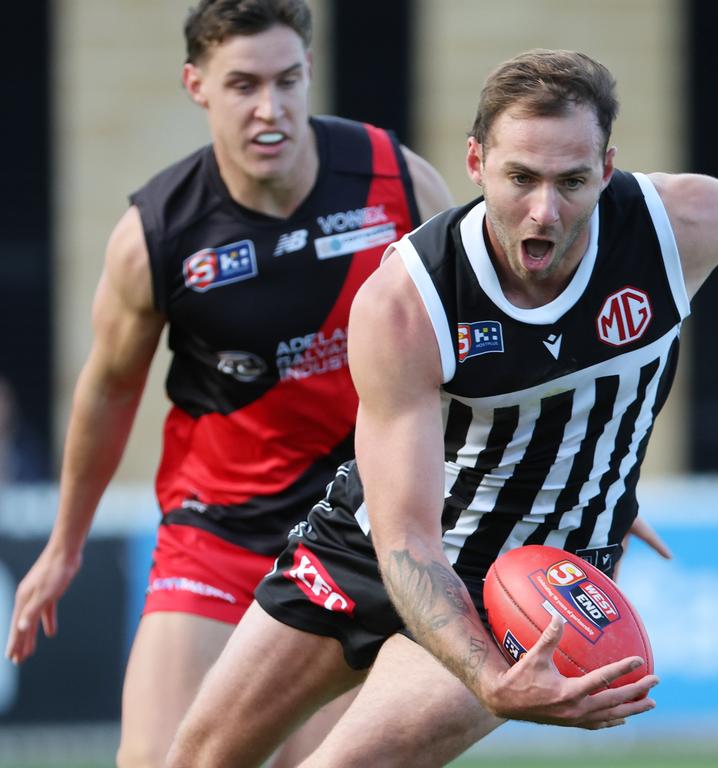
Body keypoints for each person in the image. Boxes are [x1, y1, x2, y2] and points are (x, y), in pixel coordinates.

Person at [167, 47, 718, 767]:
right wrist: (486, 677)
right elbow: (405, 539)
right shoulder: (407, 301)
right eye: (520, 178)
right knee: (198, 756)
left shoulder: (671, 225)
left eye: (574, 180)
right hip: (386, 539)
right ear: (475, 164)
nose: (546, 210)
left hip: (528, 580)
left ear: (608, 167)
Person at [3, 2, 455, 766]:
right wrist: (65, 545)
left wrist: (557, 457)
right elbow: (108, 390)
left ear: (310, 74)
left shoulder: (398, 181)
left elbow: (476, 337)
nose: (270, 109)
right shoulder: (159, 234)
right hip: (216, 531)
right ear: (197, 85)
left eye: (288, 80)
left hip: (358, 526)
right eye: (243, 84)